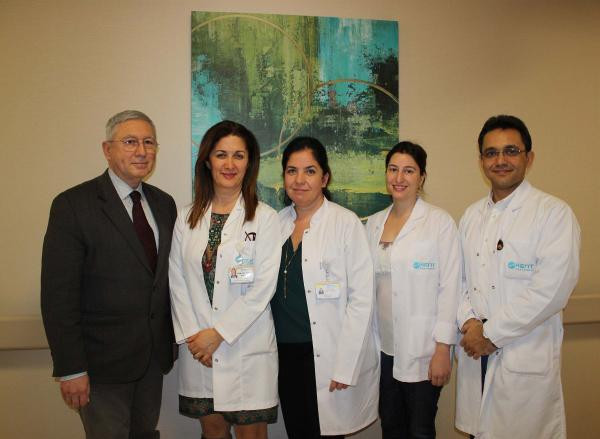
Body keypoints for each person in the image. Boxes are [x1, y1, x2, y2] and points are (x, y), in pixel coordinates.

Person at [41, 110, 177, 439]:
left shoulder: (164, 204)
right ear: (107, 149)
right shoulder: (73, 205)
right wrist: (71, 368)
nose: (141, 151)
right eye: (130, 142)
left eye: (149, 142)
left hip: (151, 362)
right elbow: (58, 296)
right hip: (100, 367)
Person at [455, 115, 581, 438]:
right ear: (481, 161)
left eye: (511, 151)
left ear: (529, 157)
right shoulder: (471, 216)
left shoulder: (553, 214)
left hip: (522, 357)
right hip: (476, 353)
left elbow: (550, 292)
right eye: (491, 152)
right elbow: (459, 281)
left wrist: (490, 333)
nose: (500, 160)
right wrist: (469, 322)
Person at [168, 120, 281, 439]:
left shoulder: (266, 218)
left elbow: (262, 289)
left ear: (249, 163)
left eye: (238, 156)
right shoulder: (187, 217)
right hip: (199, 350)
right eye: (221, 155)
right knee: (213, 432)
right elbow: (177, 280)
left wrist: (218, 334)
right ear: (207, 161)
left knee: (251, 435)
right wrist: (196, 338)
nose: (229, 164)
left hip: (246, 346)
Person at [271, 136, 379, 438]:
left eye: (310, 171)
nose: (299, 180)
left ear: (325, 178)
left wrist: (346, 364)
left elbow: (361, 300)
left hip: (327, 351)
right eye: (292, 171)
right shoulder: (275, 224)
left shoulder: (345, 223)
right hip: (284, 352)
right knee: (298, 431)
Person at [365, 141, 461, 438]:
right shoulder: (374, 224)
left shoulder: (439, 223)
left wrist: (443, 348)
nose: (399, 178)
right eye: (393, 169)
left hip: (424, 349)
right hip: (384, 348)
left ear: (422, 177)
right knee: (391, 427)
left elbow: (450, 288)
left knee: (420, 429)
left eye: (408, 171)